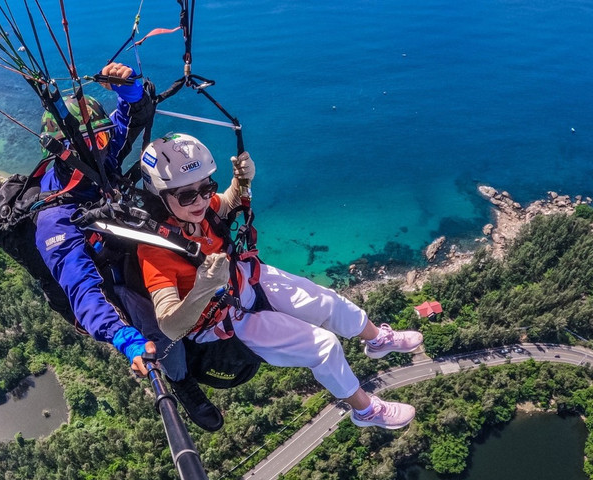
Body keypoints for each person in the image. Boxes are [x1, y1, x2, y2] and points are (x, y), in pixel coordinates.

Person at [135, 133, 422, 431]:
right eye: (187, 196)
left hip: (244, 279)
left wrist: (242, 180)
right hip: (222, 321)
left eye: (207, 187)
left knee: (328, 302)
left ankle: (377, 340)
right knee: (324, 347)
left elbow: (229, 202)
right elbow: (169, 325)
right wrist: (204, 288)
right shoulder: (156, 250)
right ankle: (365, 411)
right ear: (160, 195)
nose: (201, 200)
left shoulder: (200, 212)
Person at [33, 66, 223, 429]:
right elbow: (82, 289)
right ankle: (182, 381)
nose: (99, 148)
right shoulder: (55, 220)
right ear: (61, 153)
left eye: (102, 138)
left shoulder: (100, 160)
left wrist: (130, 90)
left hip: (135, 247)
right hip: (114, 281)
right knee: (159, 333)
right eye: (88, 143)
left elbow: (128, 121)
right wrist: (124, 338)